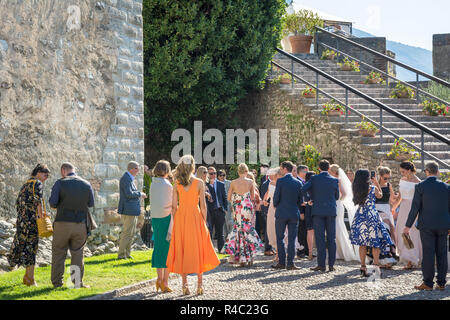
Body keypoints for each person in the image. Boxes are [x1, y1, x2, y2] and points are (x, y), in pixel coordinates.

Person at [166, 155, 220, 295]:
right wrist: (204, 221)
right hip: (196, 218)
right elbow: (203, 206)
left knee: (183, 248)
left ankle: (185, 286)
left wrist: (176, 220)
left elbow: (173, 206)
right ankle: (199, 285)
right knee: (198, 248)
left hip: (181, 218)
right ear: (193, 167)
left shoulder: (176, 183)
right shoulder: (200, 183)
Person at [403, 161, 450, 291]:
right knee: (442, 253)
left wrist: (407, 226)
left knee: (428, 253)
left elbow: (415, 208)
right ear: (437, 172)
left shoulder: (420, 186)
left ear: (427, 172)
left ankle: (428, 283)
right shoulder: (446, 187)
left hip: (427, 225)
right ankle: (441, 283)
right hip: (443, 224)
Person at [49, 162, 95, 288]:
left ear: (63, 170)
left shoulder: (60, 183)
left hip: (62, 222)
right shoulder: (86, 184)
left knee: (59, 252)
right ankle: (77, 283)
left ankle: (57, 283)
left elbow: (52, 203)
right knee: (78, 254)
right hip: (80, 223)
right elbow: (91, 203)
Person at [8, 164, 50, 286]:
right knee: (32, 248)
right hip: (32, 222)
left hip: (22, 222)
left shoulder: (25, 184)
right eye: (45, 174)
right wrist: (41, 217)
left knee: (25, 247)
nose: (46, 177)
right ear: (38, 173)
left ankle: (27, 277)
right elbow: (38, 202)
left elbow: (19, 203)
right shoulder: (37, 184)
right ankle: (30, 279)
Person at [349, 169, 394, 278]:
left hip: (360, 215)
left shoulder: (355, 188)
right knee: (375, 242)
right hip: (372, 215)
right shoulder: (372, 188)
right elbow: (380, 195)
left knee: (362, 243)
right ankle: (375, 267)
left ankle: (363, 266)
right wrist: (376, 182)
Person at [302, 160, 339, 272]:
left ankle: (321, 265)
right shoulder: (334, 180)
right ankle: (331, 265)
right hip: (331, 211)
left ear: (319, 168)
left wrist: (309, 200)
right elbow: (336, 196)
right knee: (331, 239)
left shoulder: (314, 178)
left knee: (320, 238)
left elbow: (303, 189)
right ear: (328, 168)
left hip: (317, 211)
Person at [224, 163, 263, 266]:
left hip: (238, 207)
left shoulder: (233, 182)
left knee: (238, 229)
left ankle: (239, 257)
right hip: (247, 207)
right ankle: (250, 258)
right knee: (248, 229)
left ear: (238, 171)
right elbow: (253, 197)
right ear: (246, 171)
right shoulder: (250, 182)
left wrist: (236, 198)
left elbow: (228, 197)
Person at [272, 161, 303, 270]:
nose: (280, 170)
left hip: (281, 212)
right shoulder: (298, 183)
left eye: (281, 168)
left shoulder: (280, 181)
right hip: (294, 213)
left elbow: (276, 197)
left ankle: (281, 262)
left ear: (285, 169)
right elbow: (300, 201)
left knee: (280, 238)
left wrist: (276, 205)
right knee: (291, 238)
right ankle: (290, 263)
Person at [391, 161, 422, 269]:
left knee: (412, 233)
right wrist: (394, 207)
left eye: (403, 171)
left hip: (413, 209)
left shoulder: (418, 182)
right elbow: (400, 196)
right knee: (400, 231)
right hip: (403, 208)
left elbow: (420, 200)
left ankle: (412, 259)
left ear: (409, 170)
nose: (402, 173)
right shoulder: (402, 180)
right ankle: (405, 256)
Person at [149, 160, 173, 293]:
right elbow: (171, 203)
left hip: (156, 218)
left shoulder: (153, 183)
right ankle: (165, 281)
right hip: (166, 218)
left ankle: (159, 279)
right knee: (168, 249)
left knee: (158, 248)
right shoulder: (168, 185)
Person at [328, 164, 359, 262]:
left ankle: (344, 252)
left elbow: (344, 194)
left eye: (330, 171)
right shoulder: (333, 180)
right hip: (335, 204)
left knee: (338, 228)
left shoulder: (338, 180)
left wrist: (337, 201)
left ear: (333, 172)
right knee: (336, 228)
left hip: (337, 205)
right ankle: (338, 252)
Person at [117, 161, 147, 260]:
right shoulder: (126, 178)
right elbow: (128, 194)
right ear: (132, 169)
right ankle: (121, 255)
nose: (138, 171)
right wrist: (140, 194)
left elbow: (130, 192)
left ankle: (127, 253)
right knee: (127, 232)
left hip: (132, 210)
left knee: (131, 232)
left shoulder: (129, 178)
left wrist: (139, 193)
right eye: (137, 168)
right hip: (128, 210)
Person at [375, 166, 399, 266]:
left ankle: (392, 254)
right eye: (385, 178)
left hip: (387, 209)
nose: (387, 180)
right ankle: (383, 257)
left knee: (392, 230)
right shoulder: (374, 185)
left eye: (389, 178)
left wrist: (401, 195)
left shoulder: (389, 185)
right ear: (380, 176)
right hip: (378, 208)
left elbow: (393, 199)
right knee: (385, 230)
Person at [206, 166, 228, 253]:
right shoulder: (205, 185)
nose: (213, 175)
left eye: (215, 173)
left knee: (220, 232)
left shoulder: (220, 184)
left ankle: (221, 249)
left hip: (220, 210)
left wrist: (225, 209)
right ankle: (209, 251)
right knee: (209, 231)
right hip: (209, 211)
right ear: (208, 174)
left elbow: (224, 197)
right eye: (211, 173)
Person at [263, 167, 281, 261]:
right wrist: (265, 200)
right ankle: (278, 253)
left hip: (279, 208)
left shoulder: (281, 184)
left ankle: (280, 253)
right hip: (271, 209)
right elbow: (267, 194)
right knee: (272, 229)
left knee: (281, 230)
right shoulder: (271, 183)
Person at [259, 170, 273, 256]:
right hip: (267, 209)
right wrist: (265, 210)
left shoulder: (273, 183)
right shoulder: (266, 184)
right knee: (268, 230)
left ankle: (271, 247)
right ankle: (267, 249)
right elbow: (264, 198)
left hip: (272, 209)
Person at [302, 171, 316, 261]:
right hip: (316, 209)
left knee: (309, 231)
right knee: (316, 231)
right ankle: (313, 252)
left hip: (307, 209)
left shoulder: (304, 186)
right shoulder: (316, 186)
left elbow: (302, 201)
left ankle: (310, 252)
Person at [218, 169, 233, 238]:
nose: (222, 177)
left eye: (224, 175)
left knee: (229, 221)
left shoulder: (230, 183)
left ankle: (230, 237)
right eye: (221, 175)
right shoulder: (216, 183)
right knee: (222, 223)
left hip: (228, 204)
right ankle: (225, 238)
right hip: (219, 206)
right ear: (218, 176)